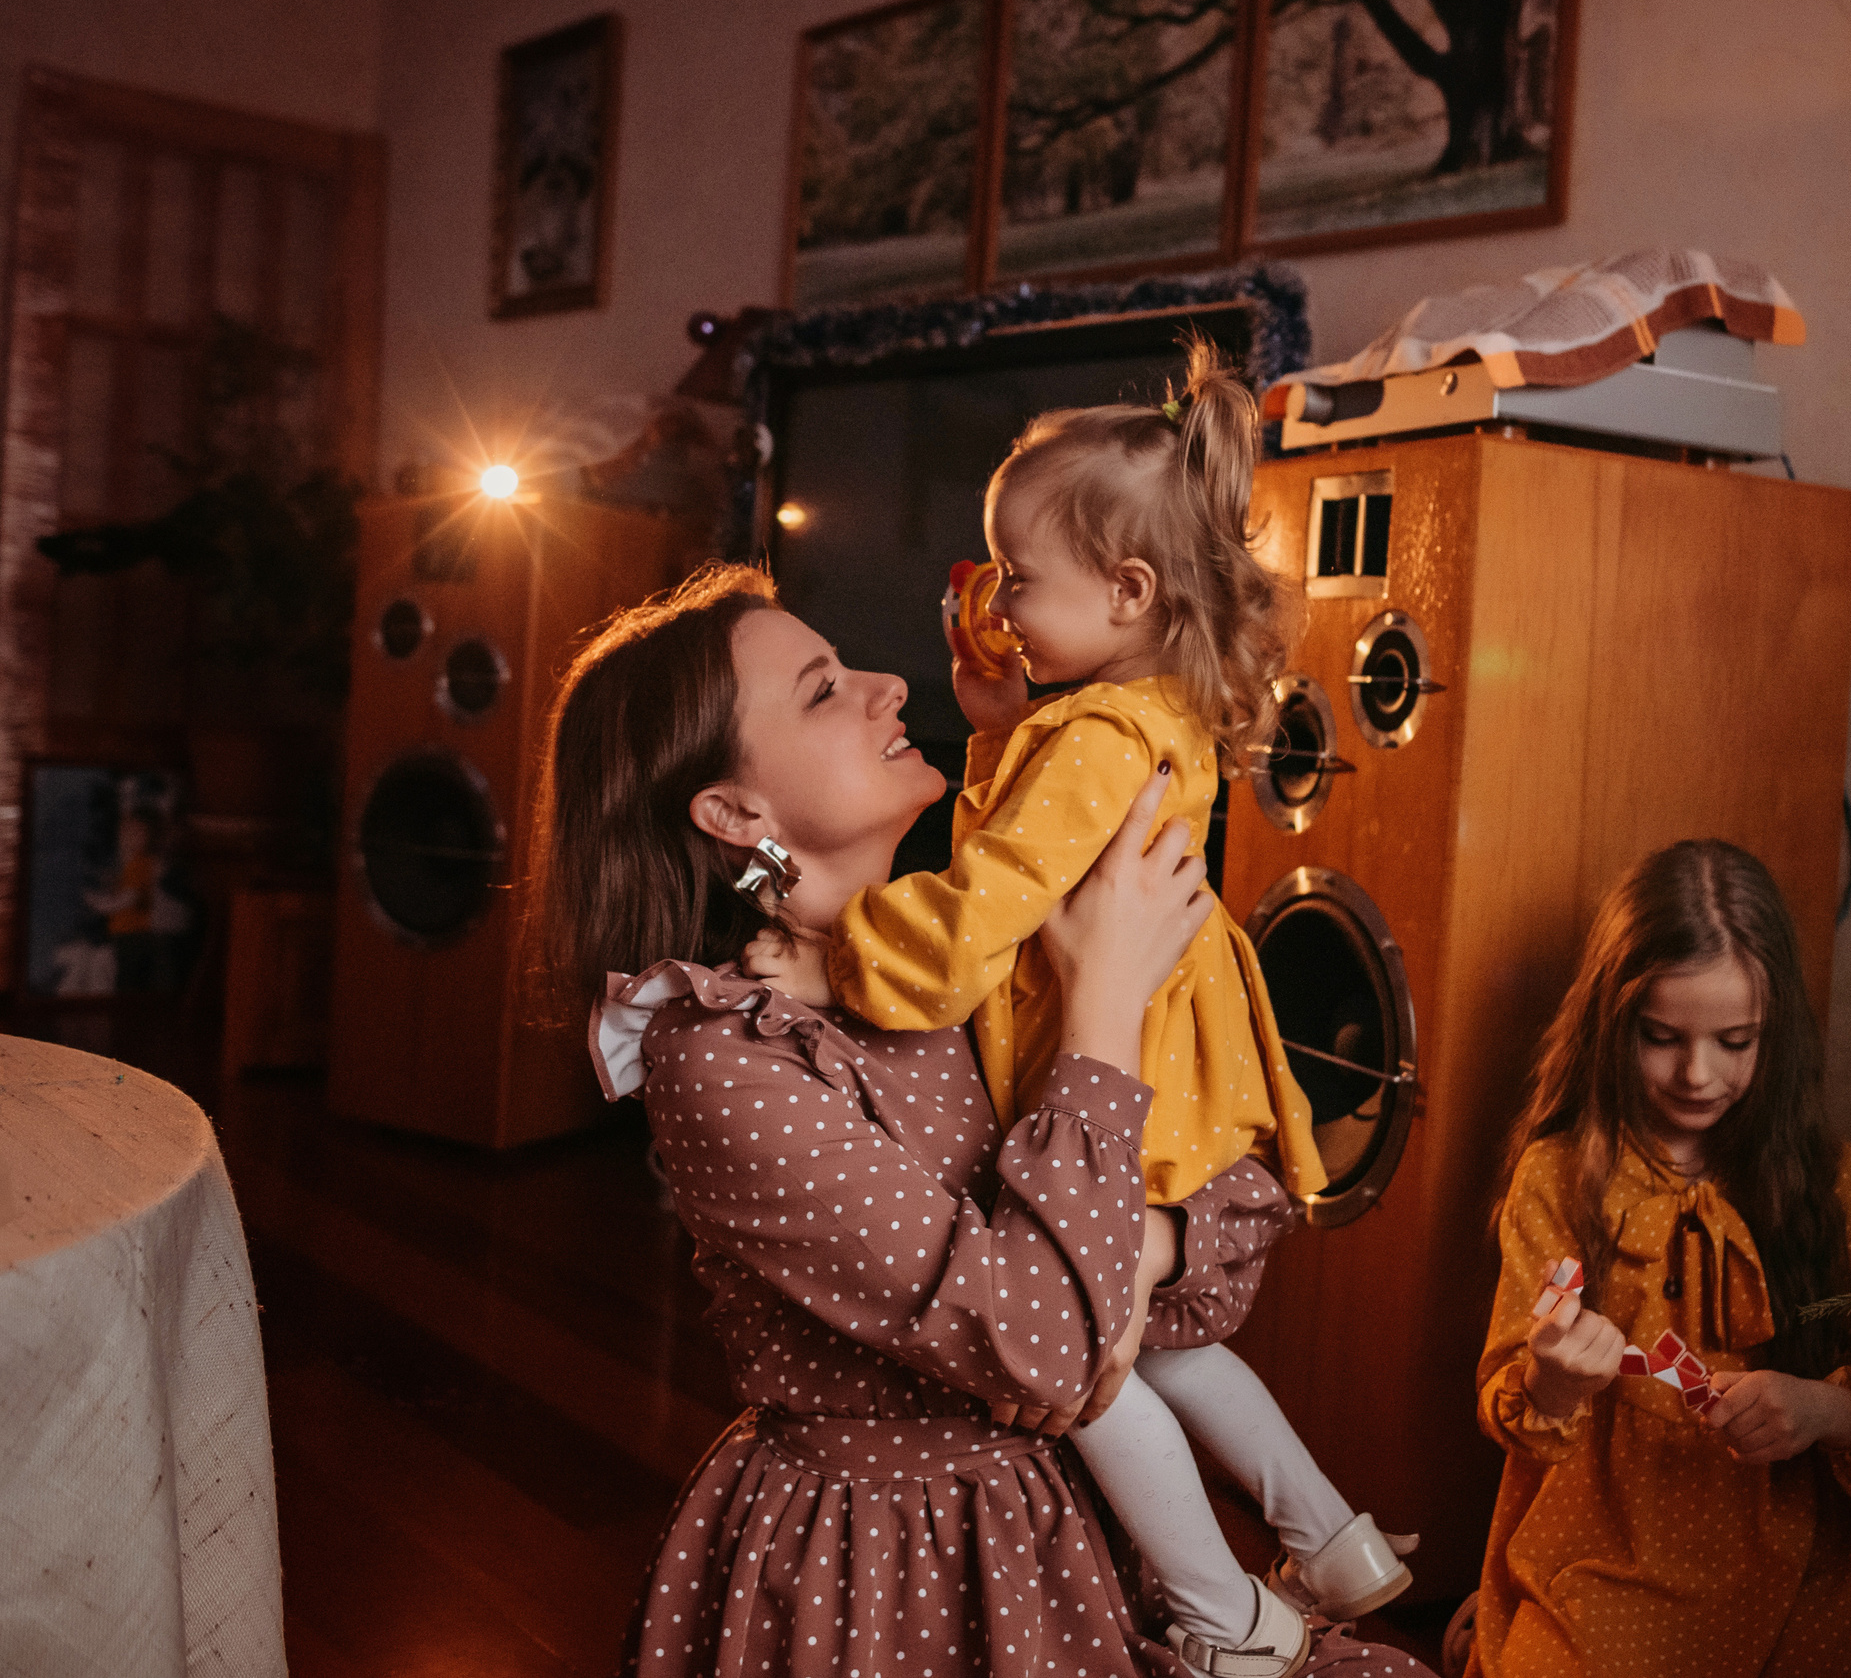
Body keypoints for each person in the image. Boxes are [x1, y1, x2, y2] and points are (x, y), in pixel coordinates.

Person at [532, 565, 1420, 1678]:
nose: (890, 685)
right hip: (884, 1575)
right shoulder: (723, 1056)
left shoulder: (973, 967)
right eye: (822, 690)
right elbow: (1049, 1350)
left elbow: (1239, 1222)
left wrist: (1139, 1247)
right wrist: (1102, 1004)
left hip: (1079, 1524)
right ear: (735, 813)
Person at [749, 344, 1410, 1671]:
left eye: (1020, 577)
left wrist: (832, 950)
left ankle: (1228, 1612)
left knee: (1091, 1365)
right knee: (1169, 1343)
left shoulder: (1093, 740)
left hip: (1130, 1086)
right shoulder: (1136, 717)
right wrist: (994, 731)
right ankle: (1332, 1534)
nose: (994, 600)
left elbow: (974, 927)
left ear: (1127, 589)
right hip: (1189, 1078)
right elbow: (1041, 860)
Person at [1468, 840, 1851, 1678]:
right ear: (1613, 1024)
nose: (1697, 1074)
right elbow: (1513, 1406)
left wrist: (1824, 1410)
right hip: (1600, 1565)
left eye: (1735, 1040)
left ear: (1777, 1031)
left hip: (1795, 1576)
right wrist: (1553, 1381)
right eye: (1661, 1037)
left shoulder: (1830, 1181)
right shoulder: (1561, 1174)